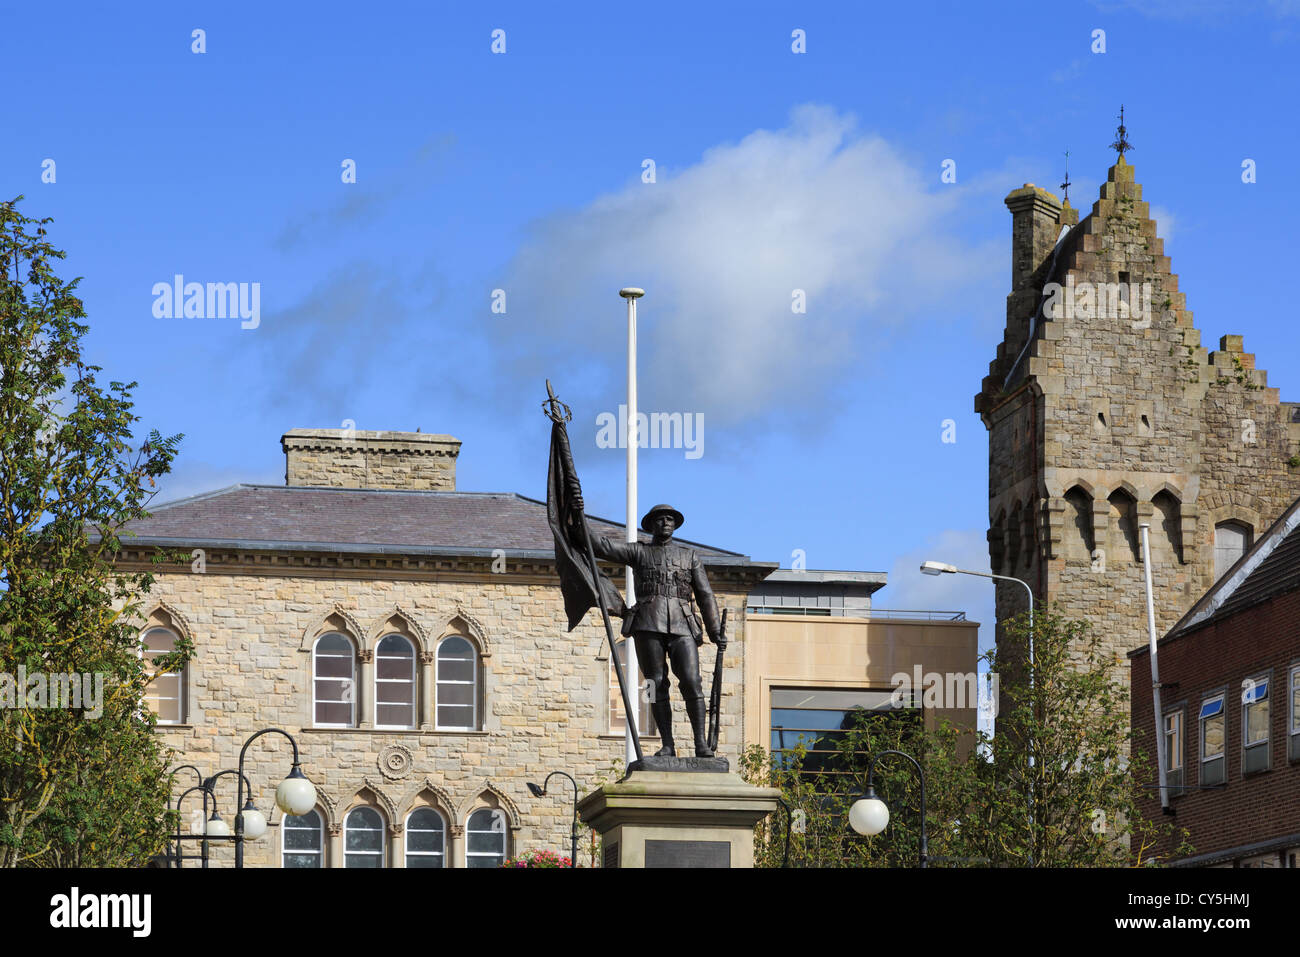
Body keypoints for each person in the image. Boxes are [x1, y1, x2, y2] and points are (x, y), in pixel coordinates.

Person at [568, 493, 723, 757]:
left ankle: (700, 743)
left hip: (683, 624)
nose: (666, 522)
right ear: (650, 525)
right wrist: (578, 514)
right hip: (648, 623)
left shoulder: (690, 556)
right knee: (655, 683)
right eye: (660, 519)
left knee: (691, 681)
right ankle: (668, 744)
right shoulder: (639, 552)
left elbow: (705, 594)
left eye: (670, 519)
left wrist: (715, 629)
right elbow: (600, 545)